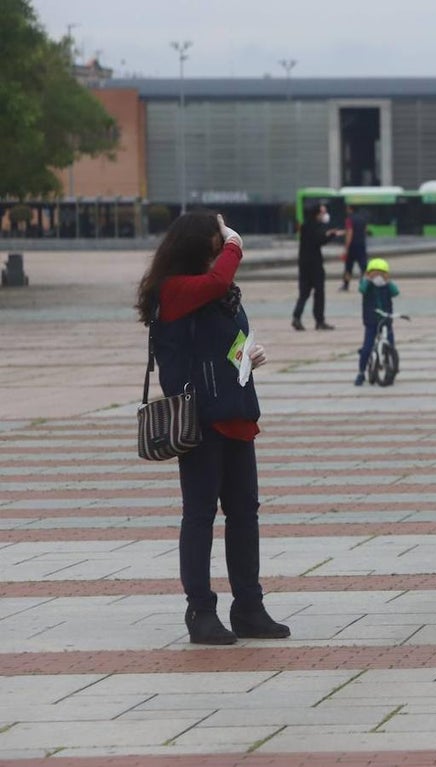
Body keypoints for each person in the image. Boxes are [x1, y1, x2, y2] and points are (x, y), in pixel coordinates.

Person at [134, 211, 290, 645]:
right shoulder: (176, 289)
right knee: (200, 516)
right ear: (195, 245)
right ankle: (201, 611)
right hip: (200, 420)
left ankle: (249, 607)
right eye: (215, 241)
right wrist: (236, 241)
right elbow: (217, 282)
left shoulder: (217, 294)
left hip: (236, 412)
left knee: (245, 515)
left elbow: (221, 333)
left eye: (222, 243)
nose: (221, 248)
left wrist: (248, 354)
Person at [292, 203, 344, 331]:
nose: (324, 215)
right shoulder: (315, 226)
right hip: (315, 264)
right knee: (319, 292)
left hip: (303, 264)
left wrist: (328, 234)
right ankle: (319, 321)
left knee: (304, 293)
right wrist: (332, 235)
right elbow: (319, 240)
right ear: (316, 214)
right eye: (322, 213)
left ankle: (296, 317)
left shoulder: (305, 226)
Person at [355, 257, 400, 386]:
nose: (378, 276)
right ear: (369, 273)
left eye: (382, 273)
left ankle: (391, 366)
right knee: (367, 347)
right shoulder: (367, 285)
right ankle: (361, 372)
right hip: (371, 321)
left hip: (386, 321)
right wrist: (368, 280)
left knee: (390, 344)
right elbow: (362, 289)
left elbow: (396, 292)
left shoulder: (387, 286)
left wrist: (387, 282)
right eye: (375, 273)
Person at [340, 203, 369, 292]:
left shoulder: (349, 219)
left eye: (347, 208)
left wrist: (346, 247)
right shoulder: (363, 219)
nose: (346, 210)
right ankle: (364, 283)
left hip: (352, 245)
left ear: (350, 209)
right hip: (361, 245)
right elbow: (366, 230)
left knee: (348, 266)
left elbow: (350, 233)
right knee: (363, 266)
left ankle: (346, 285)